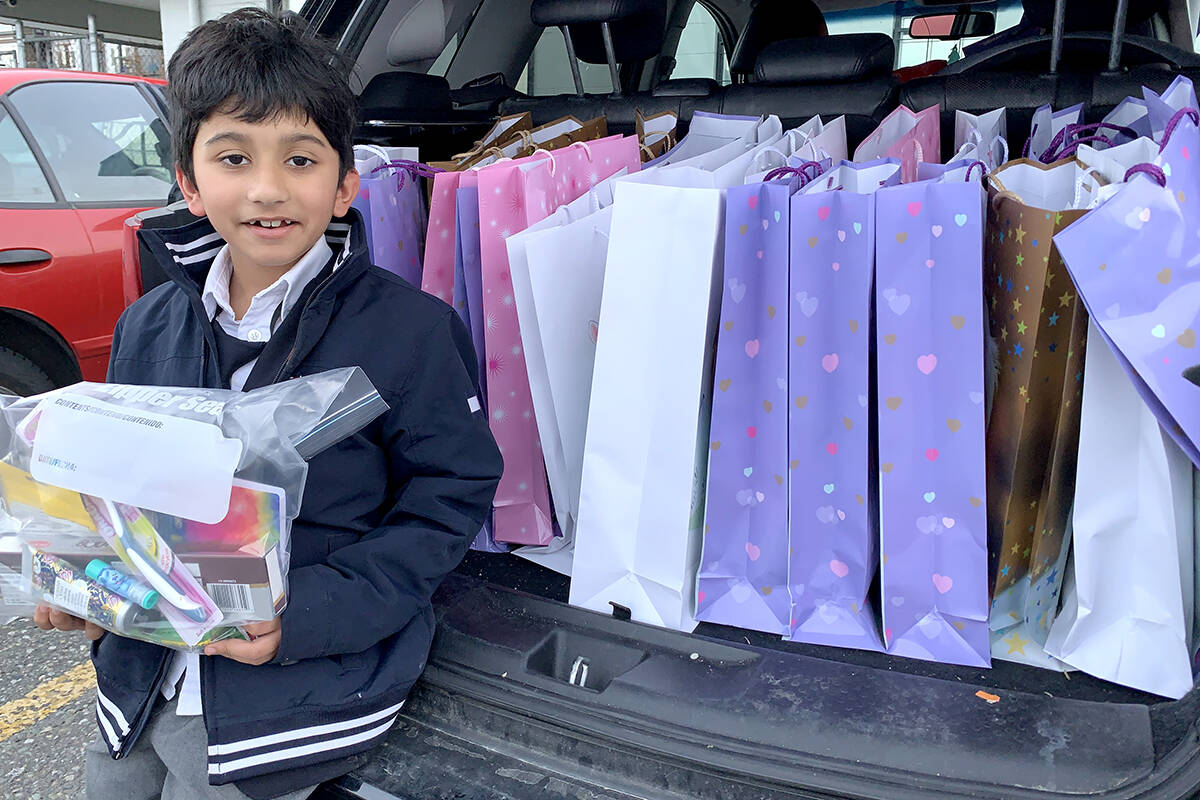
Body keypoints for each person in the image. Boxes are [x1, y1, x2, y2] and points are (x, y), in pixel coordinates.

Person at [34, 8, 502, 799]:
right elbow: (117, 487)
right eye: (233, 157)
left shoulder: (411, 331)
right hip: (139, 679)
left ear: (346, 183)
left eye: (299, 159)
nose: (266, 188)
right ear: (188, 180)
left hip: (286, 699)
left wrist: (304, 615)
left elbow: (447, 499)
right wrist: (85, 579)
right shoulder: (150, 321)